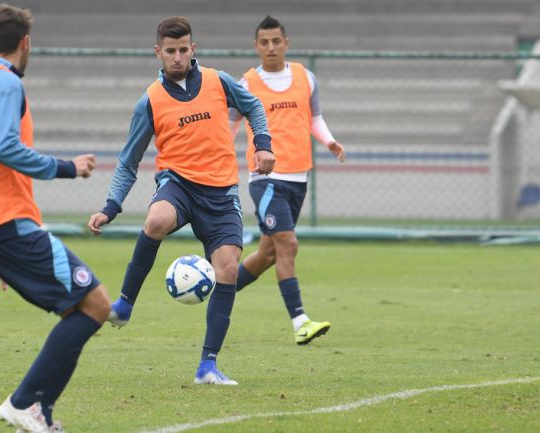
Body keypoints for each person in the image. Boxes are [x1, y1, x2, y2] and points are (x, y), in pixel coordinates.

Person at [87, 16, 275, 386]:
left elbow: (254, 107)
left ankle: (208, 366)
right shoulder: (150, 101)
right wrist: (110, 207)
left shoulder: (218, 81)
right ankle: (124, 305)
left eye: (183, 49)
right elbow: (128, 161)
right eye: (170, 51)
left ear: (193, 49)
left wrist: (264, 144)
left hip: (221, 193)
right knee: (156, 219)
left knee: (226, 269)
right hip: (179, 185)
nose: (177, 57)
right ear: (158, 52)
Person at [0, 4, 110, 432]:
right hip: (6, 221)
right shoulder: (4, 82)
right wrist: (68, 167)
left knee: (77, 310)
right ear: (26, 43)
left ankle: (42, 413)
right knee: (95, 305)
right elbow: (2, 148)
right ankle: (24, 403)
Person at [230, 15, 346, 345]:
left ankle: (220, 287)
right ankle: (300, 322)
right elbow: (230, 124)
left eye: (275, 41)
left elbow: (315, 117)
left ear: (286, 43)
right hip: (266, 179)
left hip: (298, 177)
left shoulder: (305, 77)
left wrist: (330, 141)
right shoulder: (247, 84)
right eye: (264, 42)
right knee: (288, 245)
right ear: (256, 46)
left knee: (268, 254)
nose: (270, 47)